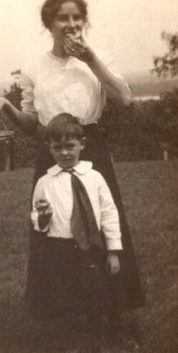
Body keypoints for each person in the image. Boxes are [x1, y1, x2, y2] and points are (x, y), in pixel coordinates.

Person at [0, 0, 144, 320]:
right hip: (52, 150)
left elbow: (125, 98)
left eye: (77, 17)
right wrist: (7, 106)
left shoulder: (99, 57)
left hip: (90, 148)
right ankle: (59, 313)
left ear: (85, 21)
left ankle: (111, 309)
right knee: (51, 225)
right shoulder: (35, 67)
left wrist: (89, 59)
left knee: (102, 221)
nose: (71, 24)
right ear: (48, 24)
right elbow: (31, 124)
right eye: (62, 18)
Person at [31, 113, 121, 332]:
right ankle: (68, 337)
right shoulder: (45, 182)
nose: (64, 152)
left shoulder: (95, 177)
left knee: (95, 290)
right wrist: (42, 218)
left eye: (70, 146)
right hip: (59, 247)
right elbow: (36, 215)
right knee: (64, 294)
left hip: (91, 246)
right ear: (49, 148)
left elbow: (109, 213)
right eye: (57, 147)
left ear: (82, 145)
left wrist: (113, 251)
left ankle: (99, 334)